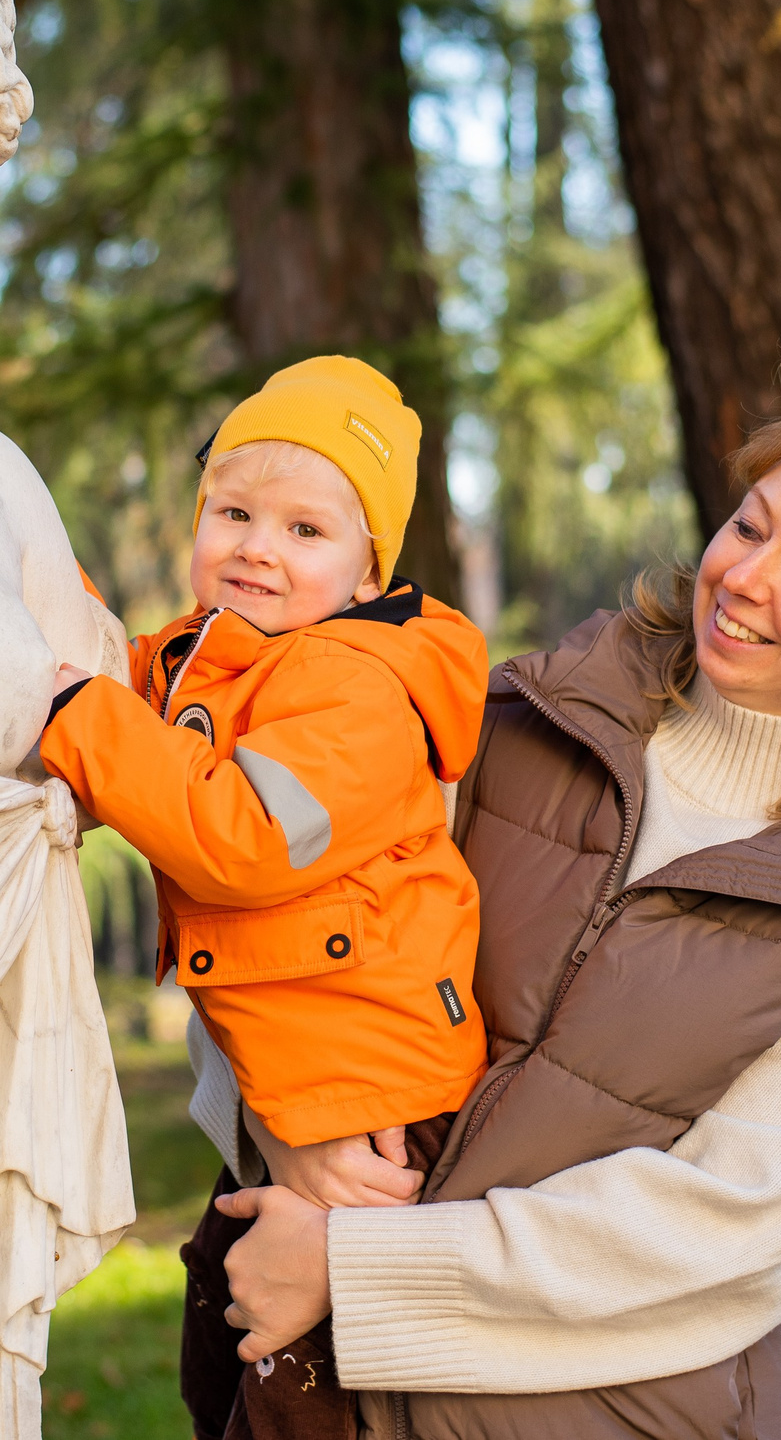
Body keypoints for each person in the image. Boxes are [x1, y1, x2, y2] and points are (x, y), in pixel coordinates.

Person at [188, 377, 781, 1439]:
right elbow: (262, 902)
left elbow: (722, 1230)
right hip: (305, 1386)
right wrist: (284, 1127)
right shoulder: (496, 727)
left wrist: (353, 1268)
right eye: (747, 524)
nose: (742, 577)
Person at [38, 357, 492, 1430]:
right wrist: (37, 582)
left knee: (312, 1396)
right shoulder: (221, 659)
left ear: (366, 568)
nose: (256, 546)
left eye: (304, 530)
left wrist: (78, 715)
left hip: (375, 1100)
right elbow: (105, 663)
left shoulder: (358, 690)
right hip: (291, 1091)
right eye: (234, 511)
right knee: (224, 1356)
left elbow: (233, 835)